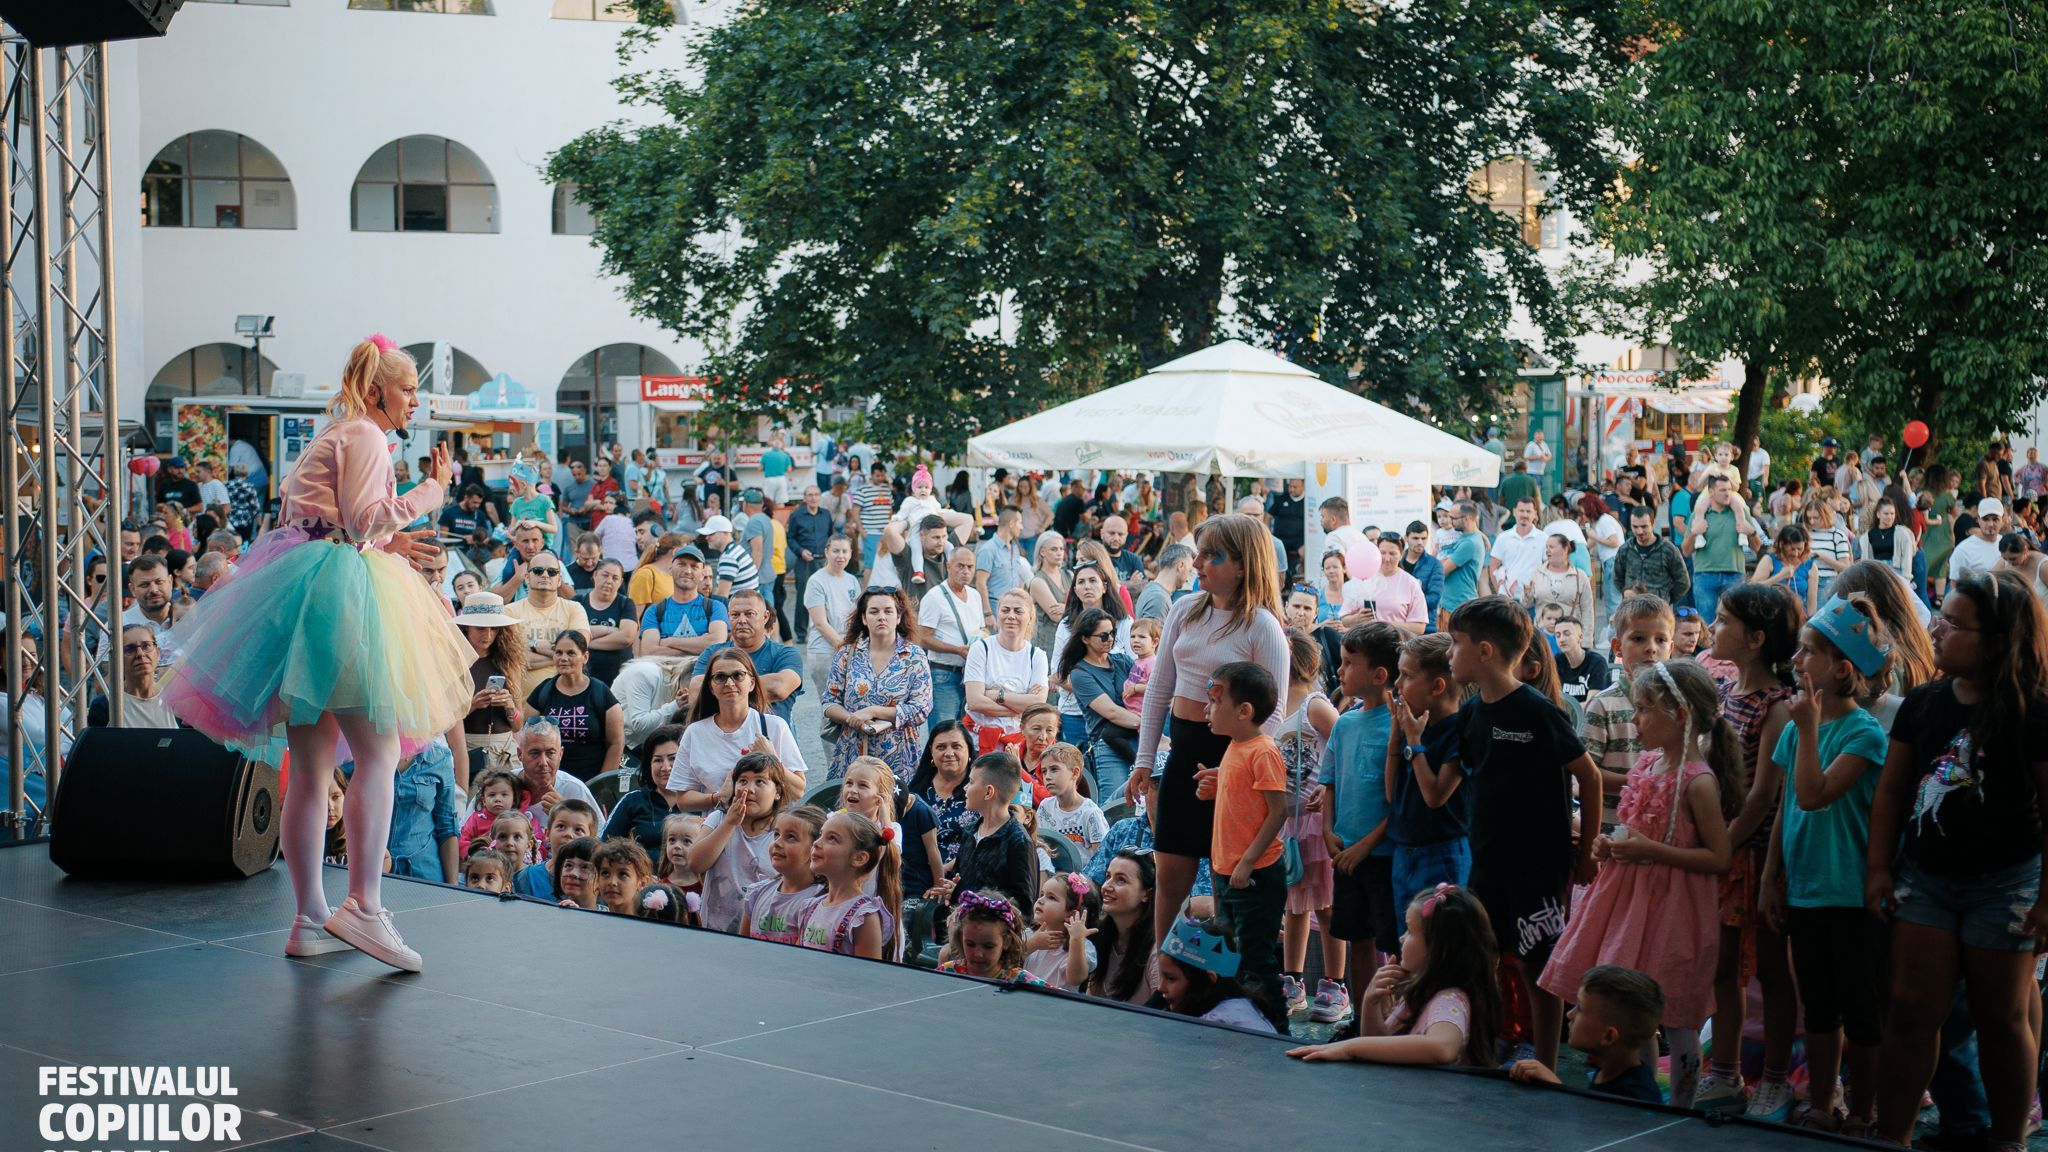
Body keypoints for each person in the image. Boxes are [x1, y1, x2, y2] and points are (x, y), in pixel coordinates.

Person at [160, 335, 473, 973]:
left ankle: (308, 918)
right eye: (409, 389)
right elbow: (360, 520)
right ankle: (364, 905)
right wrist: (431, 491)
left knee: (309, 767)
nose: (417, 401)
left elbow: (327, 522)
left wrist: (385, 542)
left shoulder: (335, 433)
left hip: (308, 588)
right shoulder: (366, 435)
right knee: (378, 754)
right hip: (339, 599)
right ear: (378, 390)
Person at [1867, 572, 2048, 1148]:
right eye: (1939, 617)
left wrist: (2047, 901)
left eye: (1952, 622)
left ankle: (2009, 1141)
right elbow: (1892, 791)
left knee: (2002, 1018)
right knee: (1911, 1010)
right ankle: (1893, 1136)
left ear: (1994, 642)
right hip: (1926, 881)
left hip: (2007, 887)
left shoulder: (2033, 713)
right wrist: (1878, 867)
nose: (1936, 629)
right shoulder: (1925, 703)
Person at [1537, 660, 1736, 1108]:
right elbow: (1635, 829)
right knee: (1631, 1009)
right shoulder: (1646, 765)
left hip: (1674, 911)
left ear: (1680, 715)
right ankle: (1638, 1096)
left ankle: (1681, 1108)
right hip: (1628, 906)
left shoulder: (1698, 781)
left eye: (1645, 709)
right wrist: (1609, 845)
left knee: (1677, 1015)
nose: (1636, 718)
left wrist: (1652, 851)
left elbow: (1719, 857)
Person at [1755, 595, 1894, 1134]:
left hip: (1850, 891)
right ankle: (1821, 1103)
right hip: (1805, 889)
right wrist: (1770, 879)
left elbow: (1814, 796)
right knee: (1817, 1006)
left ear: (1841, 669)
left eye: (1809, 652)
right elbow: (1787, 807)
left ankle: (1862, 1111)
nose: (1796, 660)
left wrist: (1810, 730)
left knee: (1860, 1008)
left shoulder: (1863, 733)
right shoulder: (1797, 728)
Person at [1447, 596, 1602, 1069]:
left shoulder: (1538, 711)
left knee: (1539, 964)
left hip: (1538, 865)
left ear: (1485, 651)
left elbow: (1590, 777)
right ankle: (1489, 1043)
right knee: (1486, 958)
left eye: (1456, 643)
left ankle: (1547, 1064)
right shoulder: (1471, 714)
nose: (1450, 654)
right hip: (1487, 861)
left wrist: (1586, 854)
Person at [1134, 513, 1290, 948]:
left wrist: (1235, 771)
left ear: (1242, 565)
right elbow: (1159, 688)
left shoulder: (1263, 625)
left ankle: (1224, 975)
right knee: (1169, 874)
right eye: (1199, 553)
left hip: (1233, 759)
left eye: (1211, 555)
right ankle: (1163, 965)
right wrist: (1144, 758)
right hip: (1184, 753)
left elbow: (1273, 713)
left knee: (1227, 881)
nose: (1198, 562)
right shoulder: (1184, 608)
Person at [1693, 582, 1803, 1118]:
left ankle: (1775, 1080)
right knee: (1724, 967)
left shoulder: (1777, 706)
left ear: (1756, 639)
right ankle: (1725, 1072)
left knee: (1772, 972)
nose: (1713, 628)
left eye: (1722, 620)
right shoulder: (1725, 693)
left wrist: (1722, 845)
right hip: (1726, 851)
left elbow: (1764, 797)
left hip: (1757, 858)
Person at [1285, 885, 1502, 1066]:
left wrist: (1350, 1047)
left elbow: (1443, 1047)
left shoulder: (1448, 999)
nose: (1401, 939)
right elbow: (1378, 1044)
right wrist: (1371, 1002)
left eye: (1410, 931)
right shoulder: (1420, 992)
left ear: (1440, 948)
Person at [668, 646, 809, 813]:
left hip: (766, 826)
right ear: (711, 687)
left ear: (752, 683)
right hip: (718, 825)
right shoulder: (695, 732)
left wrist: (772, 759)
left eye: (738, 675)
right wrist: (719, 797)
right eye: (720, 677)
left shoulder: (774, 726)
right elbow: (683, 800)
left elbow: (798, 791)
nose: (729, 683)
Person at [684, 750, 805, 933]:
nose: (749, 789)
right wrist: (730, 824)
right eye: (742, 781)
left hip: (765, 930)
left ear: (778, 792)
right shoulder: (719, 819)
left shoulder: (781, 831)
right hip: (717, 928)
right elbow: (695, 863)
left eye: (760, 781)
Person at [1510, 966, 1668, 1103]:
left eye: (1580, 1009)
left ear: (1608, 1036)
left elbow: (1590, 1125)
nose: (1569, 1015)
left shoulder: (1634, 1097)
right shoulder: (1609, 1070)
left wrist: (1557, 1088)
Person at [822, 586, 933, 782]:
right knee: (852, 800)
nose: (881, 617)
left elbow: (921, 709)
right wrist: (852, 719)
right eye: (874, 611)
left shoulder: (914, 656)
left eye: (888, 611)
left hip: (899, 755)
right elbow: (829, 702)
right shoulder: (846, 654)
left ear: (898, 617)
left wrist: (873, 711)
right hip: (853, 751)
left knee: (894, 801)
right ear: (864, 618)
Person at [927, 751, 1037, 909]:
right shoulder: (970, 831)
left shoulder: (1019, 841)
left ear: (988, 792)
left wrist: (963, 893)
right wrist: (949, 887)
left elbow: (1023, 905)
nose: (965, 788)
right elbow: (959, 877)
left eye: (971, 782)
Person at [1059, 607, 1140, 799]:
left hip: (1138, 736)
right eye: (1103, 636)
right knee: (1116, 805)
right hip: (1109, 746)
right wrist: (1148, 724)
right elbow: (1111, 712)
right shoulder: (1080, 673)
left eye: (1112, 633)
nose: (1110, 639)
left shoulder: (1122, 660)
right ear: (1085, 638)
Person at [690, 589, 803, 725]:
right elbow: (696, 691)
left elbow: (779, 687)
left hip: (769, 735)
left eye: (750, 614)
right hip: (720, 734)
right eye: (735, 615)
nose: (742, 620)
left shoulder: (786, 654)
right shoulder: (712, 652)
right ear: (728, 617)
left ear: (765, 617)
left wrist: (721, 687)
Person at [523, 631, 623, 783]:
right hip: (550, 782)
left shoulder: (600, 692)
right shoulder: (543, 691)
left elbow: (616, 743)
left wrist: (602, 784)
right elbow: (527, 736)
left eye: (571, 653)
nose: (563, 658)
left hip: (590, 782)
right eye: (558, 652)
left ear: (585, 657)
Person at [800, 810, 900, 961]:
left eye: (832, 838)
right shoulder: (810, 907)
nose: (816, 843)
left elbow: (867, 972)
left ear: (859, 858)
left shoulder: (863, 916)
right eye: (821, 835)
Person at [962, 587, 1050, 747]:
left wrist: (996, 695)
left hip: (1017, 743)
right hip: (978, 741)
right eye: (1005, 610)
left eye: (1018, 611)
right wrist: (1021, 708)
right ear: (998, 614)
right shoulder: (980, 648)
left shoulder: (1037, 656)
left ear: (1030, 617)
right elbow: (975, 701)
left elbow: (1038, 703)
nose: (1011, 616)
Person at [916, 546, 985, 728]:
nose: (965, 571)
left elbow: (981, 630)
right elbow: (922, 638)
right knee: (944, 730)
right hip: (943, 673)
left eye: (970, 567)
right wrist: (956, 650)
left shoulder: (975, 595)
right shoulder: (934, 597)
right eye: (960, 566)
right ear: (948, 567)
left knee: (965, 732)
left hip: (970, 674)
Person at [505, 552, 591, 696]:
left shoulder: (574, 608)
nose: (545, 575)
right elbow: (513, 659)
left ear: (559, 580)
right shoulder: (510, 612)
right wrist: (563, 655)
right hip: (523, 704)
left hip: (569, 701)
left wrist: (531, 647)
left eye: (552, 572)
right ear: (527, 578)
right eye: (538, 571)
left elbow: (579, 649)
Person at [739, 805, 824, 945]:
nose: (777, 843)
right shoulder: (757, 892)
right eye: (776, 834)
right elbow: (742, 945)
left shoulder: (821, 901)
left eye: (791, 837)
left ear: (815, 848)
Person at [1687, 473, 1765, 624]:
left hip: (1734, 574)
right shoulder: (1699, 514)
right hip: (1705, 575)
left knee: (1734, 623)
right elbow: (1686, 550)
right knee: (1706, 625)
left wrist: (1752, 532)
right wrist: (1694, 533)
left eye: (1729, 489)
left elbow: (1757, 547)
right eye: (1722, 490)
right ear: (1711, 491)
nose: (1728, 493)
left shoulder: (1740, 512)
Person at [1085, 850, 1158, 1005]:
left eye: (1121, 880)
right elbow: (1091, 1002)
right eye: (1108, 877)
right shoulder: (1101, 937)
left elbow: (1162, 1014)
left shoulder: (1155, 953)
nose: (1106, 886)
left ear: (1147, 894)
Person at [602, 725, 684, 860]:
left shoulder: (702, 801)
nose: (665, 767)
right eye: (658, 760)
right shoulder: (633, 801)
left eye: (673, 758)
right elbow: (605, 848)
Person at [634, 545, 730, 658]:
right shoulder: (654, 611)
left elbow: (716, 644)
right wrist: (699, 646)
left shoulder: (716, 607)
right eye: (682, 564)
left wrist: (669, 641)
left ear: (702, 575)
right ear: (670, 569)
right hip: (664, 667)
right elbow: (649, 652)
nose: (688, 571)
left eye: (694, 566)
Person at [936, 891, 1043, 983]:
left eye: (988, 946)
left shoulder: (1021, 981)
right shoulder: (946, 973)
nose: (978, 954)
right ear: (960, 938)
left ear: (1006, 941)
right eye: (970, 944)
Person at [85, 624, 179, 729]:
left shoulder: (176, 701)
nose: (140, 654)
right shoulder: (104, 704)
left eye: (146, 646)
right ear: (117, 658)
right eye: (129, 649)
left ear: (157, 653)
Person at [802, 534, 861, 696]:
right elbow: (820, 623)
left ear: (851, 554)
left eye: (845, 551)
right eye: (836, 551)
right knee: (831, 703)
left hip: (848, 647)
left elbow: (858, 617)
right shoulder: (816, 581)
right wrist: (845, 649)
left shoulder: (852, 581)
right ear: (826, 552)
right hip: (824, 650)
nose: (840, 556)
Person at [1023, 871, 1101, 991]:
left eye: (1051, 897)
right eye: (1042, 894)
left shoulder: (1081, 945)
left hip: (1054, 1002)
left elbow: (1076, 978)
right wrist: (1033, 944)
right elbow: (1009, 960)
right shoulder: (1029, 934)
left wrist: (1076, 940)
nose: (1040, 900)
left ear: (1071, 915)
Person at [576, 559, 638, 688]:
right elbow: (572, 633)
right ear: (595, 575)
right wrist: (609, 630)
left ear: (620, 582)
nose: (609, 581)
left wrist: (585, 642)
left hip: (618, 679)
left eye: (615, 578)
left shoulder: (626, 604)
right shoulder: (577, 602)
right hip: (581, 678)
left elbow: (626, 637)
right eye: (605, 575)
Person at [786, 485, 835, 644]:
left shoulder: (826, 514)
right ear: (805, 498)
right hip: (804, 562)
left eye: (816, 494)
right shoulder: (797, 515)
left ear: (820, 496)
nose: (813, 498)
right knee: (803, 597)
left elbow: (831, 536)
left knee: (827, 595)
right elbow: (790, 538)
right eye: (810, 495)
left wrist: (830, 554)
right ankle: (801, 634)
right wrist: (800, 551)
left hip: (823, 561)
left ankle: (827, 631)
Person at [1754, 523, 1820, 617]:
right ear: (1782, 545)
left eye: (1799, 549)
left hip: (1797, 616)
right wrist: (1779, 576)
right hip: (1770, 615)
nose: (1796, 554)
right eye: (1792, 549)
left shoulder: (1810, 566)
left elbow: (1811, 601)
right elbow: (1752, 589)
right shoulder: (1769, 560)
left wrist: (1810, 621)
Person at [1487, 497, 1545, 600]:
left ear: (1535, 514)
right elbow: (1493, 567)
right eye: (1521, 511)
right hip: (1508, 600)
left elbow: (1548, 566)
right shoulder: (1503, 538)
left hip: (1534, 599)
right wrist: (1501, 592)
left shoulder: (1544, 538)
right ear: (1514, 512)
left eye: (1528, 511)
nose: (1525, 515)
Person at [1027, 532, 1070, 653]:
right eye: (1054, 549)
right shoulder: (1038, 582)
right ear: (1042, 552)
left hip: (1070, 640)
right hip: (1048, 643)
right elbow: (1056, 616)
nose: (1059, 553)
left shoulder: (1069, 575)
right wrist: (1074, 608)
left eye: (1061, 549)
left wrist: (1066, 608)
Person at [1859, 495, 1917, 584]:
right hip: (1876, 575)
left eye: (1892, 513)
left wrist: (1906, 580)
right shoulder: (1867, 536)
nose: (1890, 517)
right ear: (1878, 514)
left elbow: (1907, 558)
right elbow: (1865, 561)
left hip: (1897, 576)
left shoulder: (1902, 533)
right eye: (1886, 514)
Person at [1948, 496, 2006, 585]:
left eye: (1995, 519)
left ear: (2002, 520)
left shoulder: (2007, 544)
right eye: (1985, 519)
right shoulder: (1963, 550)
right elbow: (1955, 584)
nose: (1990, 524)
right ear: (1978, 519)